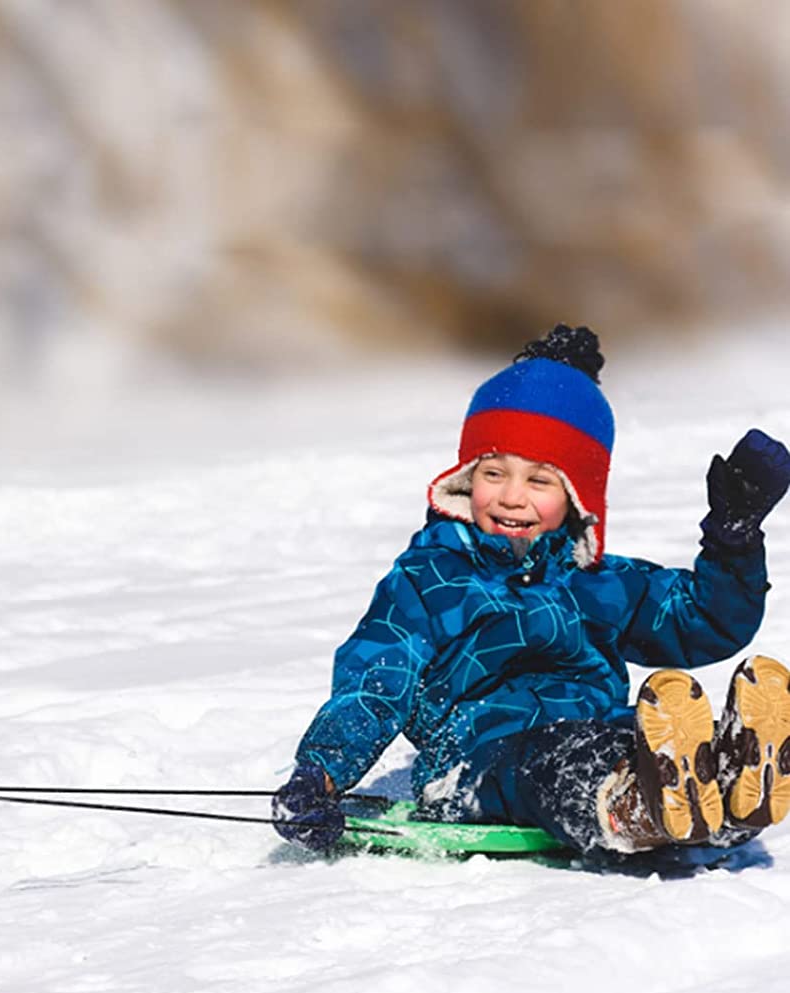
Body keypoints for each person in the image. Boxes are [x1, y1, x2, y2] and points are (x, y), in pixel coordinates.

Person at [271, 324, 790, 857]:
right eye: (494, 473)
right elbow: (375, 681)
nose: (512, 497)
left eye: (540, 482)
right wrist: (321, 773)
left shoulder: (597, 579)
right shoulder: (429, 580)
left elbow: (701, 621)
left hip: (599, 735)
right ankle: (636, 804)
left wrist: (734, 543)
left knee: (637, 736)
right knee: (559, 761)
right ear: (466, 478)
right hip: (475, 763)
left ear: (576, 496)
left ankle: (727, 782)